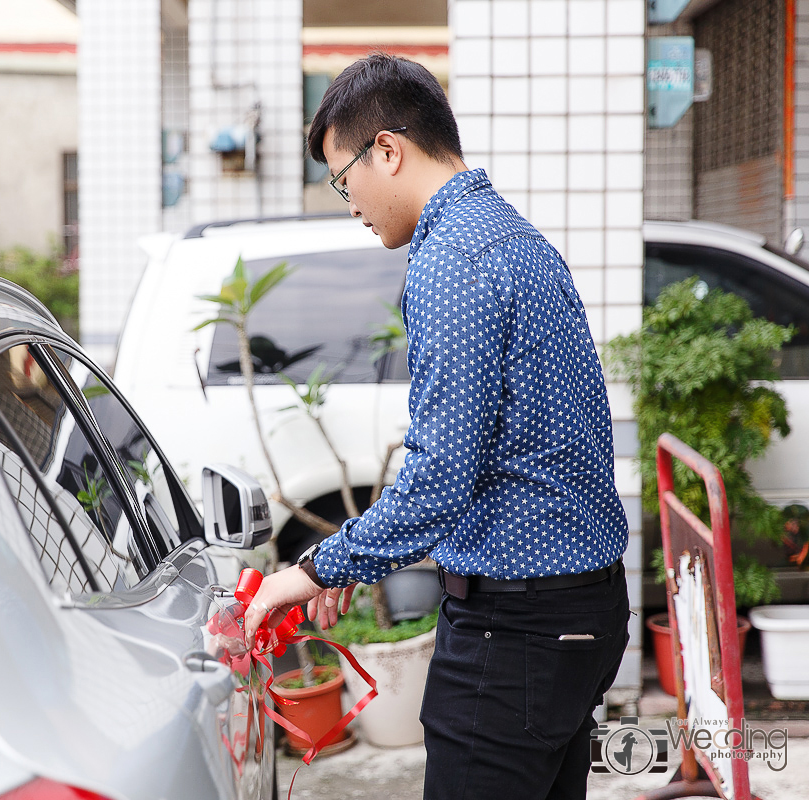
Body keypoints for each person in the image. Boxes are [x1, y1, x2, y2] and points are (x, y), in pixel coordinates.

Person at [242, 53, 630, 800]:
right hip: (578, 612)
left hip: (513, 631)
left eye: (342, 175)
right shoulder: (513, 237)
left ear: (387, 150)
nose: (347, 199)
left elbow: (441, 477)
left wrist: (312, 569)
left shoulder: (451, 259)